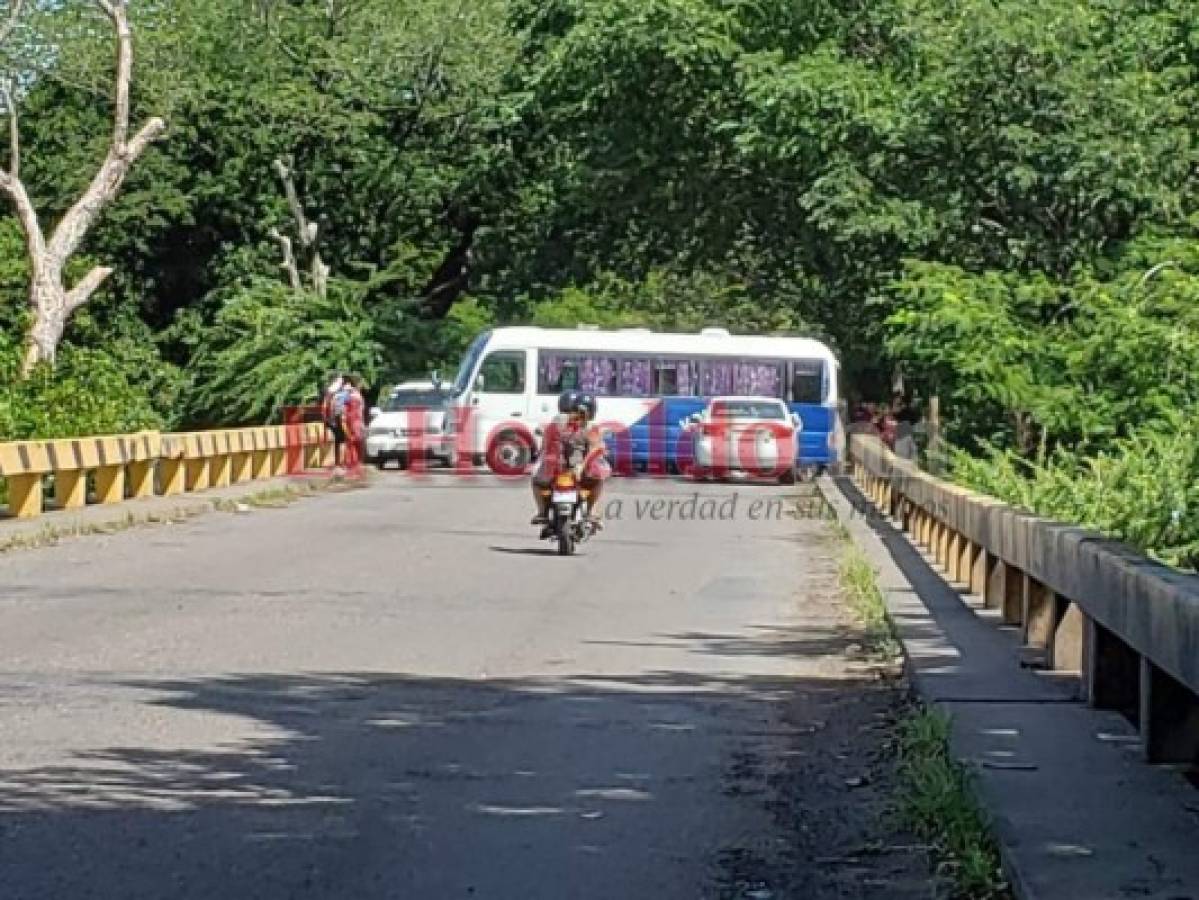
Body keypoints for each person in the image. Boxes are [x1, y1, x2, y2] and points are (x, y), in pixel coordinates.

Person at [530, 390, 610, 531]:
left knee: (536, 481)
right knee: (598, 480)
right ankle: (591, 512)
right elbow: (594, 450)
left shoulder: (557, 423)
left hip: (556, 470)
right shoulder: (588, 429)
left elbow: (545, 445)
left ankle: (542, 512)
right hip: (575, 471)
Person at [342, 374, 366, 476]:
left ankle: (354, 465)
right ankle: (354, 465)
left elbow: (346, 410)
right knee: (355, 442)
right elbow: (356, 411)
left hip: (354, 421)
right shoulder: (354, 395)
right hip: (354, 421)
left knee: (353, 442)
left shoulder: (351, 394)